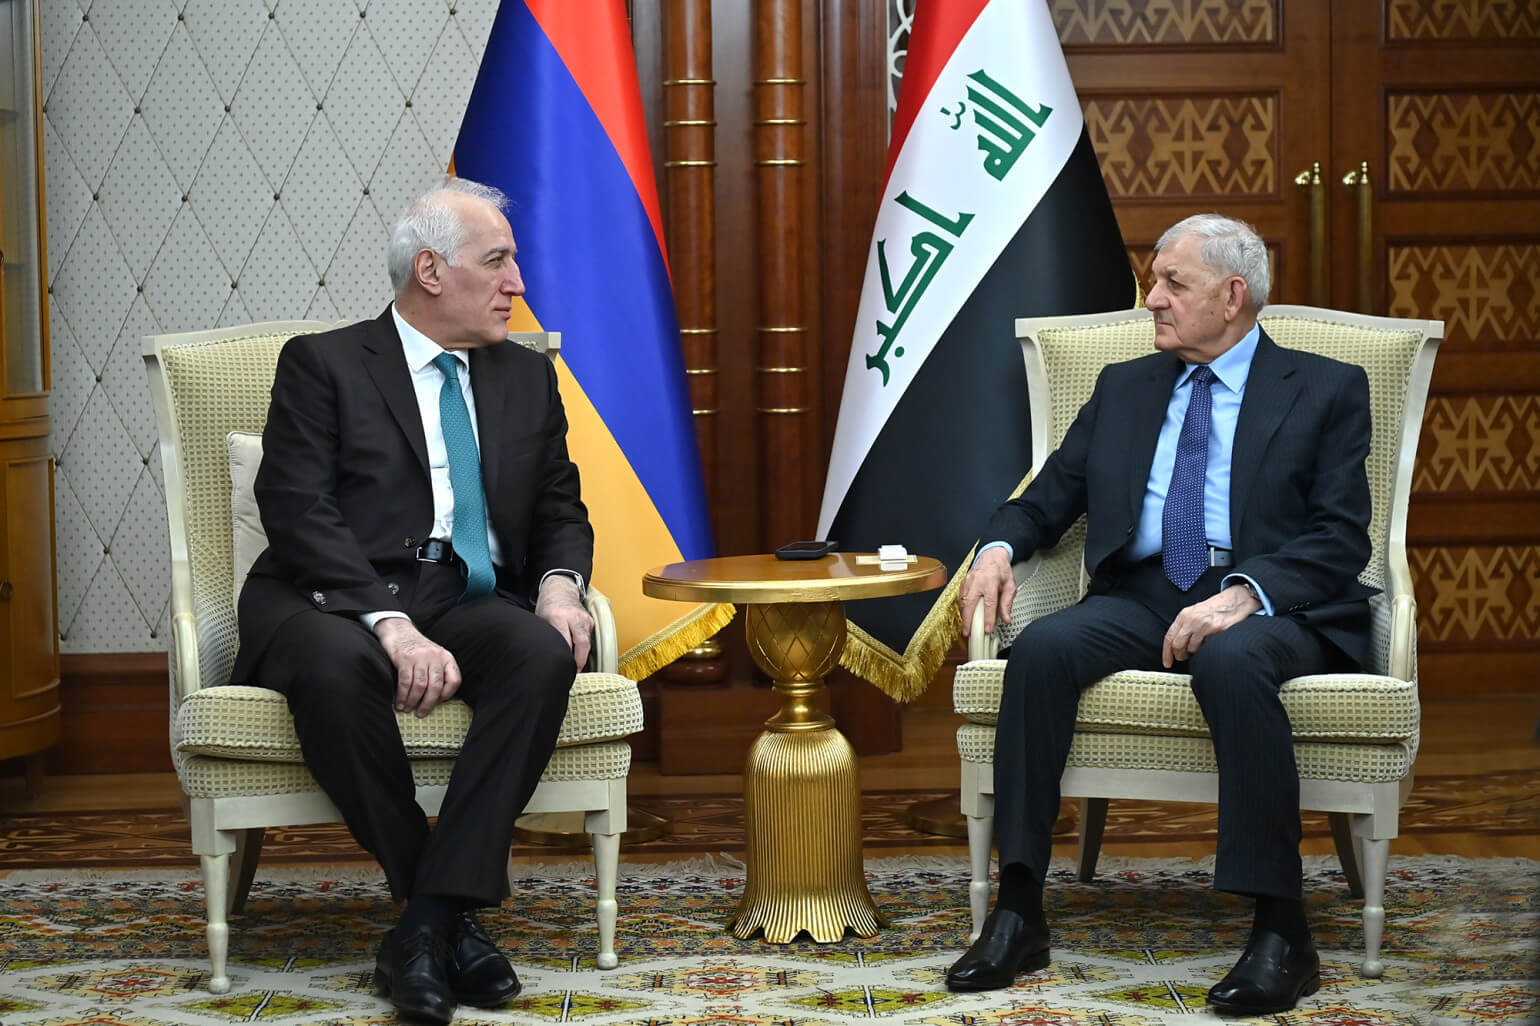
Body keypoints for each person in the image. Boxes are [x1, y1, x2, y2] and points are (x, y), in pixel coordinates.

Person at [945, 214, 1374, 1015]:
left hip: (1269, 600)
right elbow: (1047, 499)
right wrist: (998, 548)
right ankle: (1019, 910)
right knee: (1039, 651)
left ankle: (1282, 930)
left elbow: (1341, 536)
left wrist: (1243, 595)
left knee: (1233, 661)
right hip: (1144, 592)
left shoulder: (1325, 387)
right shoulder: (1126, 387)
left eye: (1174, 282)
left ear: (1233, 296)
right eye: (1154, 281)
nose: (1153, 299)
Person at [231, 176, 594, 1024]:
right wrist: (390, 625)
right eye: (497, 262)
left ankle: (425, 926)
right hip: (330, 597)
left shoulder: (526, 377)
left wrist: (558, 586)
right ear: (431, 271)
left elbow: (559, 507)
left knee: (541, 654)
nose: (517, 283)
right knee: (335, 667)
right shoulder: (324, 363)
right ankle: (441, 914)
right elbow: (299, 511)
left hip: (463, 591)